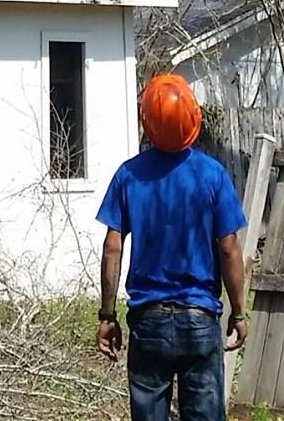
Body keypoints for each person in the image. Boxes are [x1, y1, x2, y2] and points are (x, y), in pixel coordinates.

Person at [96, 72, 250, 421]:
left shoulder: (128, 175)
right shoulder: (212, 176)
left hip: (148, 321)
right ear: (194, 118)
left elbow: (112, 248)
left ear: (146, 122)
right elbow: (229, 249)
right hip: (199, 320)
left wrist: (107, 316)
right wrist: (238, 312)